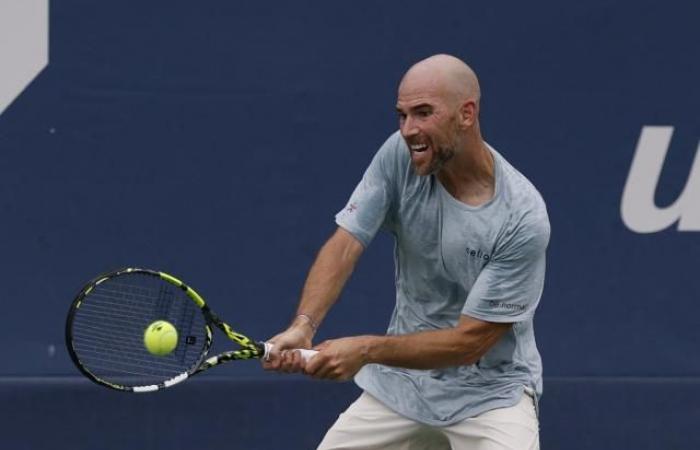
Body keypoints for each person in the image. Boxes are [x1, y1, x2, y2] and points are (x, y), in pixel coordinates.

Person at [263, 54, 549, 450]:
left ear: (466, 114)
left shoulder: (522, 217)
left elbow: (470, 343)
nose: (409, 129)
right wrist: (304, 325)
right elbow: (346, 243)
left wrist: (365, 350)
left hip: (491, 394)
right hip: (403, 387)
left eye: (423, 113)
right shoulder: (398, 154)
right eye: (402, 115)